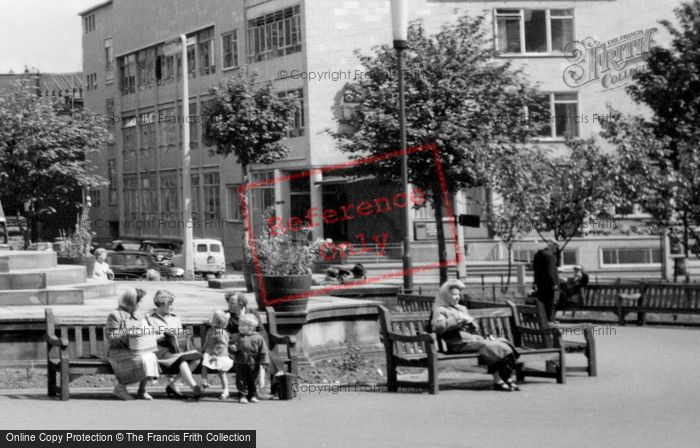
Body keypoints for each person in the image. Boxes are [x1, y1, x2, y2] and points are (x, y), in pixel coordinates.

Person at [430, 280, 520, 391]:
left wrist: (472, 325)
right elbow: (437, 328)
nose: (457, 297)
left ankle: (508, 378)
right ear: (446, 295)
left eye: (458, 295)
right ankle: (498, 380)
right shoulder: (440, 310)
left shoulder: (461, 308)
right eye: (454, 295)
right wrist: (456, 320)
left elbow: (474, 328)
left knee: (503, 342)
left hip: (473, 340)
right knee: (492, 347)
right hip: (458, 343)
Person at [105, 287, 159, 400]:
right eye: (140, 301)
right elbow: (111, 337)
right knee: (142, 359)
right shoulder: (115, 315)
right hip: (118, 352)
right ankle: (120, 388)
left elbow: (145, 330)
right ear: (132, 302)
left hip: (137, 349)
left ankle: (142, 390)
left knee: (151, 356)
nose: (141, 303)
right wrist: (128, 333)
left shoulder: (139, 315)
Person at [223, 292, 285, 391]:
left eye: (232, 302)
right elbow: (223, 332)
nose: (229, 305)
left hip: (254, 344)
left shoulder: (251, 312)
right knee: (260, 353)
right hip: (238, 346)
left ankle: (265, 377)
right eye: (229, 302)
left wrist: (255, 339)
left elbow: (261, 330)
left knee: (261, 349)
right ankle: (273, 372)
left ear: (241, 302)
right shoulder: (227, 315)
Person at [147, 290, 203, 400]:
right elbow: (146, 337)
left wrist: (181, 336)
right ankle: (194, 386)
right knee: (182, 361)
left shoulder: (175, 318)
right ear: (161, 304)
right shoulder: (149, 318)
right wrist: (163, 336)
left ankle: (175, 384)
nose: (172, 307)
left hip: (177, 349)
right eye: (170, 304)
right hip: (161, 350)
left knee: (196, 358)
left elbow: (179, 335)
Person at [229, 314, 270, 403]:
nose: (240, 327)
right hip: (240, 362)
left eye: (243, 326)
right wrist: (233, 349)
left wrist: (264, 362)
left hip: (253, 363)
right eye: (239, 325)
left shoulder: (258, 338)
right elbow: (231, 348)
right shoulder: (236, 337)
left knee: (253, 380)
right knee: (240, 380)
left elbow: (263, 351)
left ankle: (252, 395)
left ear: (251, 327)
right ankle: (242, 395)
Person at [201, 310, 234, 399]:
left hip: (219, 354)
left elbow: (222, 345)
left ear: (215, 321)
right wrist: (203, 350)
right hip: (209, 352)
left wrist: (215, 354)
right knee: (204, 364)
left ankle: (226, 390)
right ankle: (204, 382)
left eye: (211, 318)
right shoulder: (212, 329)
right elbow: (208, 340)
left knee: (222, 373)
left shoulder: (220, 332)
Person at [532, 241, 560, 322]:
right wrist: (554, 283)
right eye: (555, 248)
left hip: (540, 284)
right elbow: (551, 271)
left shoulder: (538, 254)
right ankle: (550, 322)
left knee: (542, 304)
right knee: (550, 304)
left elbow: (535, 270)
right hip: (550, 285)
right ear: (552, 246)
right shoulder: (549, 256)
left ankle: (543, 321)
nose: (555, 250)